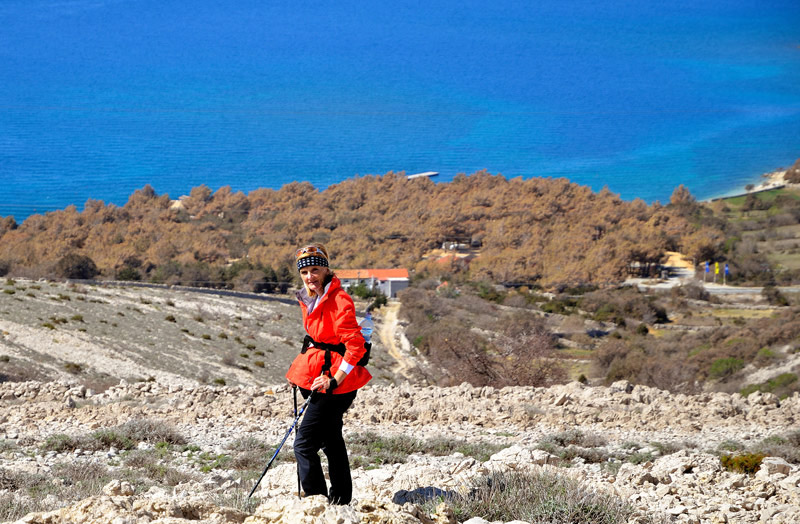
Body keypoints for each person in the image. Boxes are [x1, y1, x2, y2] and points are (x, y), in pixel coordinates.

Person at [285, 243, 372, 505]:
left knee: (303, 444)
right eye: (304, 272)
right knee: (332, 441)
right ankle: (341, 501)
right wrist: (299, 371)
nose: (309, 277)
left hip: (336, 385)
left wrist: (334, 379)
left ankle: (316, 504)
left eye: (314, 270)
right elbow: (316, 341)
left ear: (325, 269)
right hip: (320, 378)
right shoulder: (310, 297)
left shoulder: (339, 300)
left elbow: (354, 347)